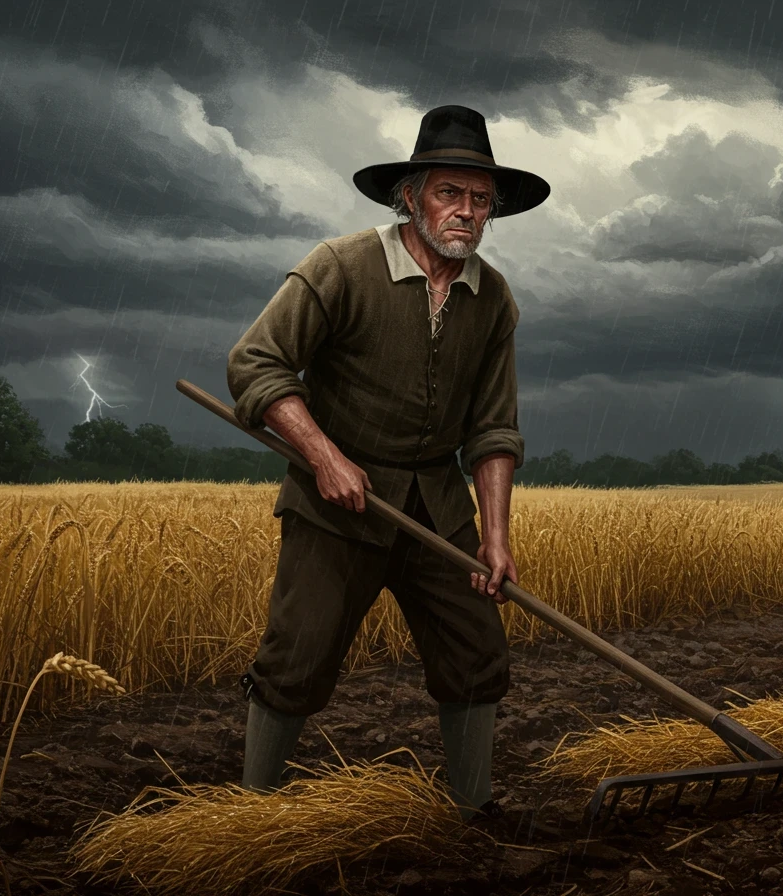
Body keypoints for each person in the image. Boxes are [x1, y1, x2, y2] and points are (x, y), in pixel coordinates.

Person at [225, 105, 550, 821]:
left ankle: (474, 812)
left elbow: (494, 429)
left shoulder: (492, 299)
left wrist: (495, 536)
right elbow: (255, 363)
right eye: (449, 194)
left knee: (476, 650)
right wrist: (324, 456)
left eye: (480, 200)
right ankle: (251, 817)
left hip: (437, 503)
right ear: (411, 196)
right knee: (297, 656)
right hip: (336, 502)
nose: (466, 212)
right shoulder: (339, 267)